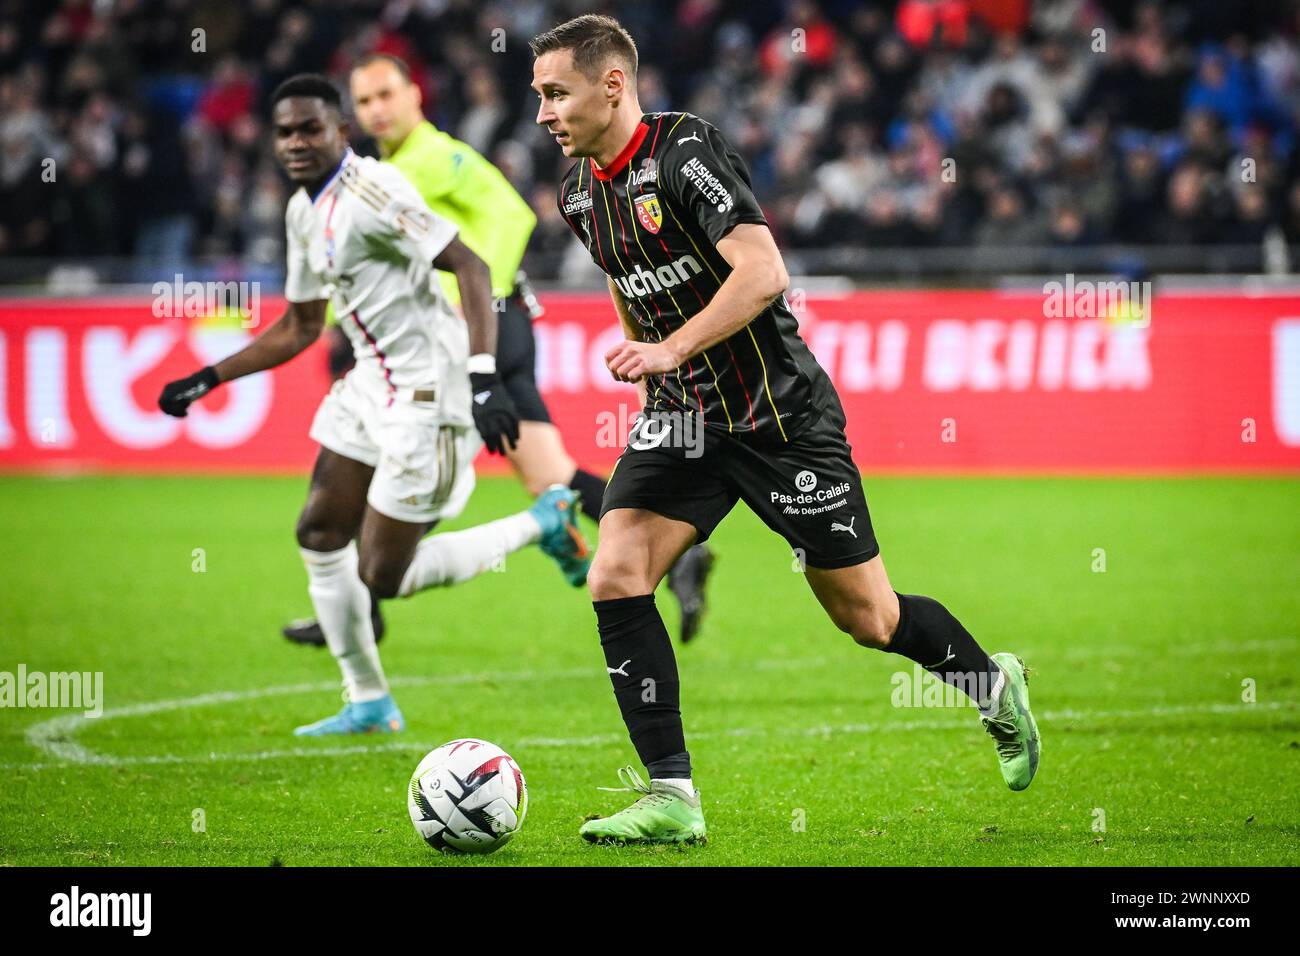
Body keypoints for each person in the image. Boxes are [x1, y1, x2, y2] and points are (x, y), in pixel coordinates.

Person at [529, 15, 1041, 844]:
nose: (545, 113)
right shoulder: (580, 191)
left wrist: (671, 347)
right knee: (617, 572)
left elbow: (764, 271)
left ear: (612, 84)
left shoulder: (685, 154)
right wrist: (653, 372)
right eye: (539, 97)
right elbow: (629, 282)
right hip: (687, 421)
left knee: (868, 619)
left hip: (781, 421)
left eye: (557, 93)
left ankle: (994, 684)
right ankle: (672, 798)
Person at [158, 74, 588, 735]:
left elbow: (470, 264)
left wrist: (482, 377)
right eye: (284, 132)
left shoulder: (376, 190)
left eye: (310, 129)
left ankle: (544, 523)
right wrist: (211, 377)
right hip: (369, 385)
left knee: (385, 575)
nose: (296, 142)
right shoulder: (305, 210)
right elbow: (302, 324)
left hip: (430, 392)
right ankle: (368, 702)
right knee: (319, 533)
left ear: (340, 132)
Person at [280, 52, 716, 649]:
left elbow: (510, 218)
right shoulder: (382, 173)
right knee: (548, 475)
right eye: (364, 101)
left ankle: (366, 593)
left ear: (415, 95)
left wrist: (475, 303)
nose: (376, 110)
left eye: (386, 95)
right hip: (483, 328)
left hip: (486, 327)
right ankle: (680, 546)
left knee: (394, 449)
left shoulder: (436, 157)